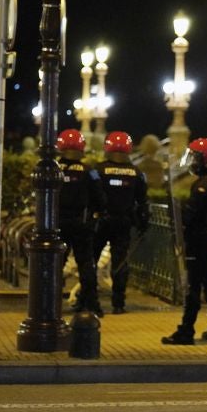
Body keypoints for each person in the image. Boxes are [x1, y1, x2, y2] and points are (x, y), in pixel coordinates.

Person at [162, 138, 207, 345]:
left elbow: (190, 215)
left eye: (194, 158)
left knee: (193, 287)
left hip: (198, 242)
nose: (192, 162)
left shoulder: (203, 185)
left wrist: (175, 206)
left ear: (204, 160)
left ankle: (186, 330)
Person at [94, 131, 149, 314]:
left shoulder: (98, 171)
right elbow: (143, 202)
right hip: (123, 222)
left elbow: (90, 197)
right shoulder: (137, 173)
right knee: (120, 262)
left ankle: (89, 300)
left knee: (92, 260)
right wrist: (143, 224)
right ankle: (118, 303)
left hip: (100, 221)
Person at [57, 129, 106, 317]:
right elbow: (100, 198)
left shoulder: (53, 169)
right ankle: (91, 304)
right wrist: (97, 213)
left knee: (55, 264)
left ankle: (50, 303)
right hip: (81, 223)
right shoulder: (89, 171)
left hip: (57, 224)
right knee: (85, 263)